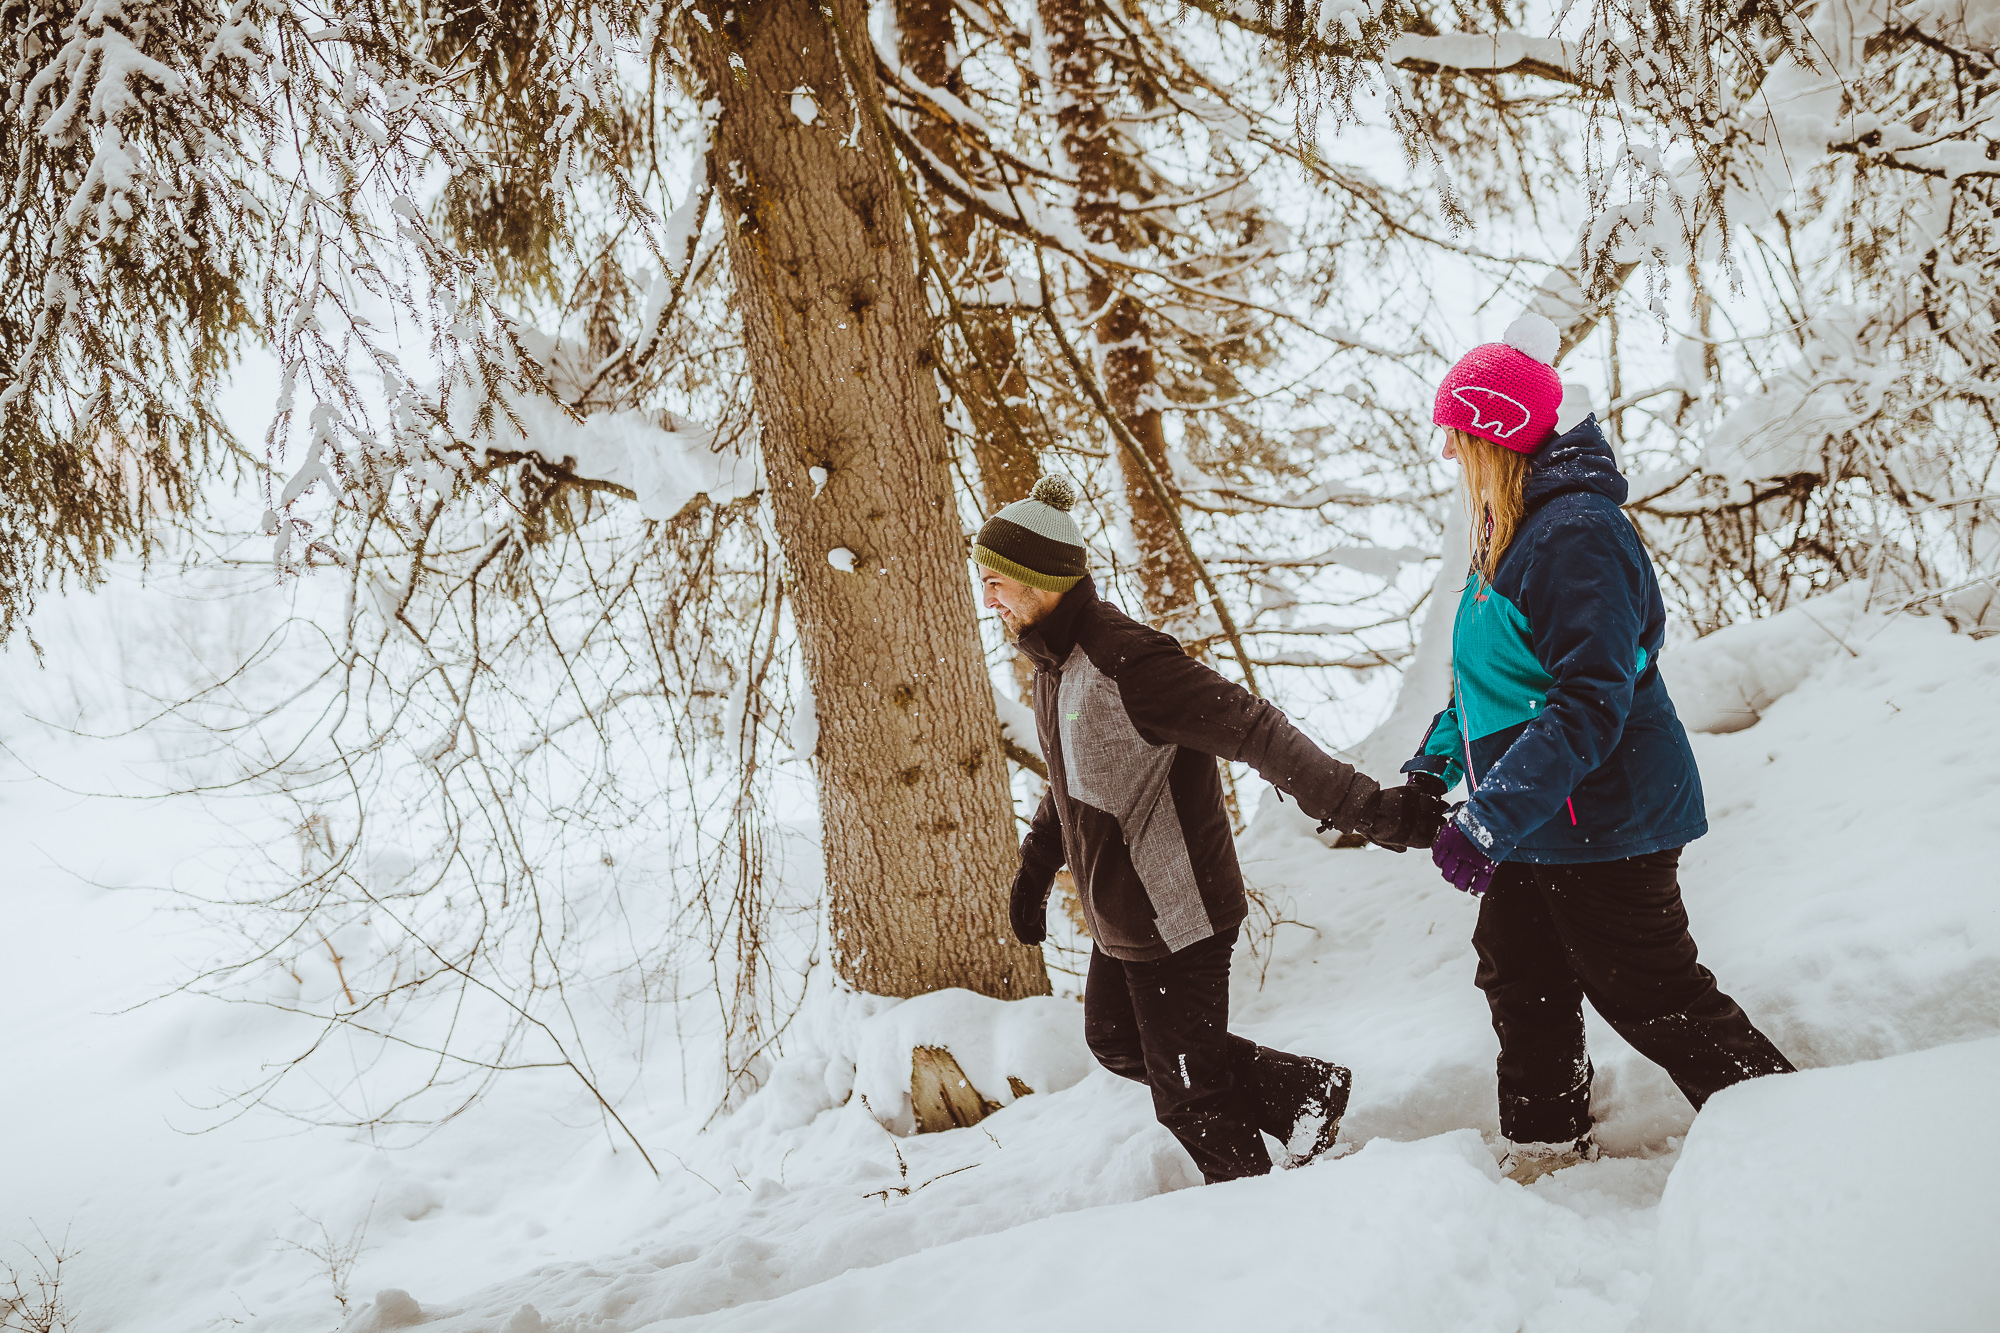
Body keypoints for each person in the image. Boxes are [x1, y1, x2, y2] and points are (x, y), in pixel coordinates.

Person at [1409, 314, 1796, 1184]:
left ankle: (1794, 1126)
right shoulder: (1509, 526)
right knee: (1520, 974)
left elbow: (1591, 697)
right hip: (1541, 813)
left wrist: (1490, 816)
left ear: (1497, 435)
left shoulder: (1574, 532)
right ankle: (1547, 1141)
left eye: (1459, 433)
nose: (1449, 452)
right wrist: (1438, 759)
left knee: (1650, 992)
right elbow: (1488, 678)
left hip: (1606, 813)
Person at [974, 475, 1447, 1183]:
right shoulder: (1054, 666)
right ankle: (1302, 1094)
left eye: (995, 582)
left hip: (1177, 909)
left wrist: (1368, 809)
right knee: (1115, 1038)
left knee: (1189, 1097)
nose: (987, 599)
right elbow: (1072, 779)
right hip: (1122, 913)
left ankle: (1251, 1210)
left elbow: (1256, 729)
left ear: (1040, 577)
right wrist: (1035, 868)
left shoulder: (1128, 660)